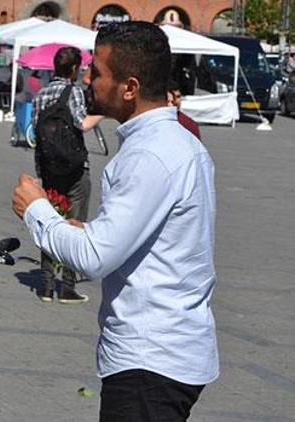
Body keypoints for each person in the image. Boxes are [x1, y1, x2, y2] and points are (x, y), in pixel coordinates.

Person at [12, 22, 218, 421]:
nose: (88, 78)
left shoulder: (150, 156)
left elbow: (93, 259)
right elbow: (151, 239)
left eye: (98, 72)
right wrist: (87, 230)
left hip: (151, 359)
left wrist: (36, 210)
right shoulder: (176, 143)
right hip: (168, 350)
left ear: (130, 87)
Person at [30, 46, 103, 304]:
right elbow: (81, 123)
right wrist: (103, 112)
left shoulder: (41, 94)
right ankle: (68, 287)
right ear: (74, 69)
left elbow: (36, 136)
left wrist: (40, 172)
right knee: (75, 225)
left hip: (49, 169)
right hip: (75, 169)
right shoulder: (73, 92)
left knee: (50, 223)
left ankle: (47, 286)